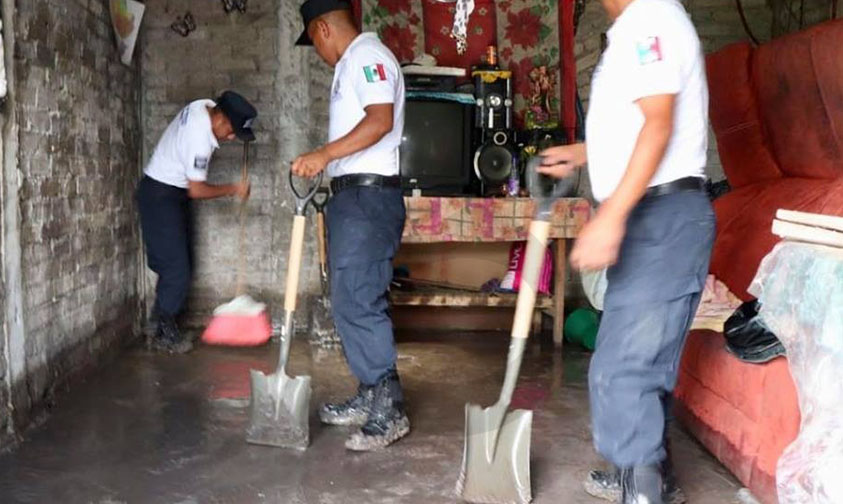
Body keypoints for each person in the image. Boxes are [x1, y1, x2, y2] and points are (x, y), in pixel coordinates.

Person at [538, 0, 715, 501]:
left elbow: (658, 124)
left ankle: (642, 489)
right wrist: (584, 152)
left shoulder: (652, 20)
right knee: (631, 362)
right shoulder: (634, 28)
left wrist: (611, 216)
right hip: (650, 215)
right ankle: (651, 475)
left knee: (624, 371)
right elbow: (640, 125)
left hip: (662, 217)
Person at [293, 0, 409, 451]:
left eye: (314, 43)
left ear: (322, 28)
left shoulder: (367, 57)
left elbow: (379, 121)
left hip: (369, 197)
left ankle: (390, 406)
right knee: (346, 298)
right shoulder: (352, 64)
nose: (319, 53)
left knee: (359, 297)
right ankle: (370, 391)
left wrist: (324, 154)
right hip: (352, 197)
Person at [137, 91, 256, 354]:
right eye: (232, 131)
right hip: (162, 195)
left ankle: (159, 320)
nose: (232, 137)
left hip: (168, 191)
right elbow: (197, 190)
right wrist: (233, 189)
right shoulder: (199, 138)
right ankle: (164, 333)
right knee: (177, 268)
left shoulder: (202, 105)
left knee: (180, 263)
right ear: (221, 118)